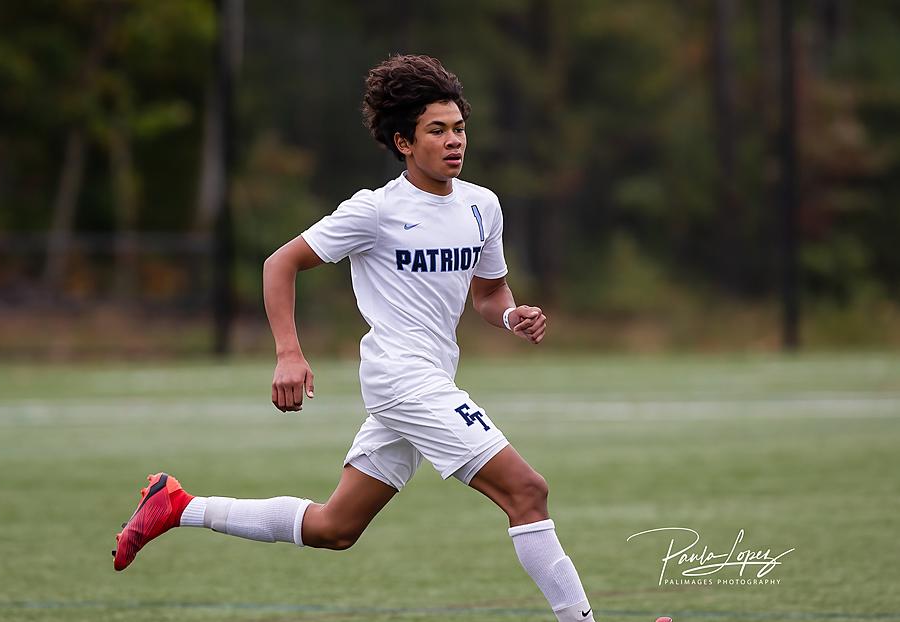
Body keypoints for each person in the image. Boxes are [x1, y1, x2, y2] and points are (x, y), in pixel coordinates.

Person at [113, 54, 597, 622]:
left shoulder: (481, 205)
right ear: (403, 142)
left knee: (335, 528)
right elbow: (279, 263)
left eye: (459, 128)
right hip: (401, 378)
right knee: (527, 491)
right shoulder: (375, 210)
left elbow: (490, 296)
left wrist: (513, 317)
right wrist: (288, 353)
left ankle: (177, 505)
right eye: (436, 130)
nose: (453, 141)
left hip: (430, 378)